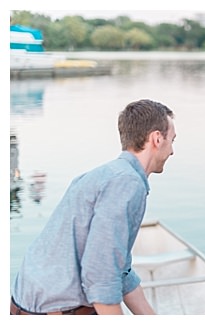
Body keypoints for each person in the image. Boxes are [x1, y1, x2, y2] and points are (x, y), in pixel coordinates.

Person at [10, 99, 176, 315]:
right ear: (156, 138)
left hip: (25, 302)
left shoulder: (104, 175)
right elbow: (101, 274)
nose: (172, 150)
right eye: (172, 140)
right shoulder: (127, 183)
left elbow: (120, 269)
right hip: (51, 310)